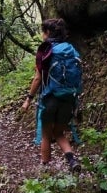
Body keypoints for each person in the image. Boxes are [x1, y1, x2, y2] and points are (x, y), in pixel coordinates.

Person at [21, 18, 81, 172]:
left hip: (50, 98)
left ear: (48, 32)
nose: (42, 35)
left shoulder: (46, 50)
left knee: (46, 135)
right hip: (68, 98)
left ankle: (45, 170)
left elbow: (38, 78)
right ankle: (72, 161)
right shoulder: (70, 49)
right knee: (59, 132)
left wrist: (28, 99)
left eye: (43, 32)